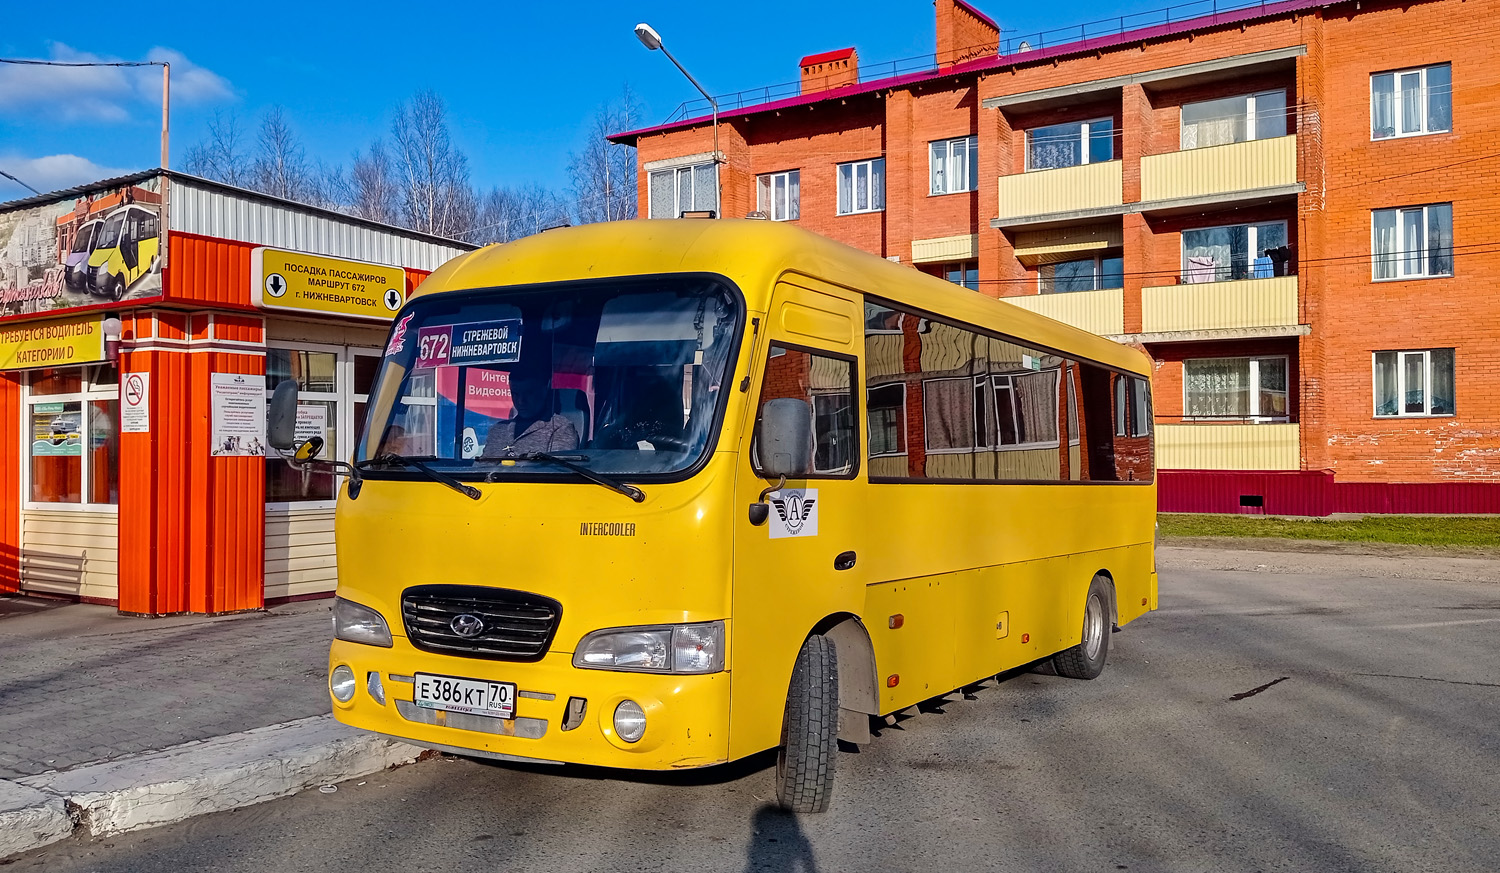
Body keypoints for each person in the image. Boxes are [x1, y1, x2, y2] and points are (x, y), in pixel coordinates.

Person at [481, 367, 579, 456]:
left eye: (528, 393)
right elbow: (479, 468)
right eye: (515, 394)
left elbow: (557, 471)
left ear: (544, 391)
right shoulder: (498, 430)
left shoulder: (560, 428)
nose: (521, 401)